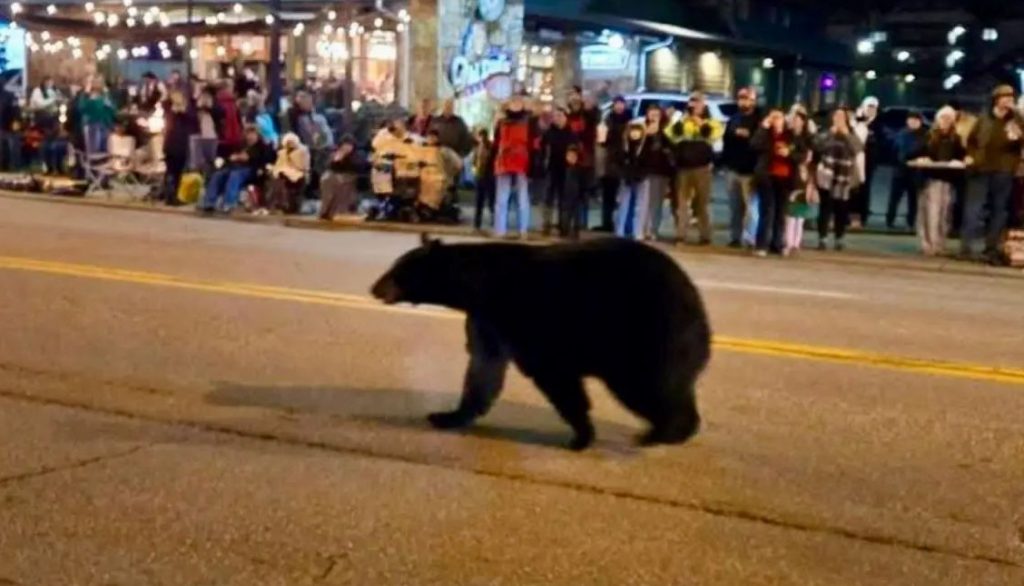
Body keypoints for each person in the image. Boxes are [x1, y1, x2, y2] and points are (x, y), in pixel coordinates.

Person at [963, 84, 1024, 262]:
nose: (1008, 101)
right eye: (1004, 97)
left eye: (1011, 98)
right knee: (973, 209)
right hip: (980, 169)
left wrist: (1019, 116)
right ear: (996, 100)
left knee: (999, 210)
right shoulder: (984, 119)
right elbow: (971, 141)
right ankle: (966, 248)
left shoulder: (1016, 121)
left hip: (1003, 170)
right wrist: (971, 156)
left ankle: (991, 248)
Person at [665, 91, 724, 246]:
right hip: (683, 168)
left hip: (702, 168)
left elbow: (713, 135)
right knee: (682, 204)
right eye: (692, 101)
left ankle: (705, 236)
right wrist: (681, 120)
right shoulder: (682, 120)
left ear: (704, 104)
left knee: (702, 204)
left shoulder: (711, 121)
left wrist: (700, 123)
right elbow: (671, 136)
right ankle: (681, 236)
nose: (695, 104)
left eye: (698, 101)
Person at [751, 109, 809, 256]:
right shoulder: (765, 134)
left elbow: (802, 155)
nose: (776, 120)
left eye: (779, 118)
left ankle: (777, 244)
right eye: (773, 118)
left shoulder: (791, 136)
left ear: (784, 120)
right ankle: (761, 244)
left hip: (785, 178)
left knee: (781, 212)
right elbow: (754, 145)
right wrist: (763, 127)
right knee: (767, 211)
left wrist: (789, 153)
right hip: (767, 177)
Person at [911, 106, 967, 256]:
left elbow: (961, 155)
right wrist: (922, 159)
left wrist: (960, 161)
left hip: (948, 180)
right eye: (943, 118)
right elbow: (916, 153)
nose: (945, 121)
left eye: (949, 118)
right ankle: (928, 244)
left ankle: (940, 244)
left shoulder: (956, 138)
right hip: (930, 179)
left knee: (944, 214)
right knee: (930, 213)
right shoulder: (929, 136)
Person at [815, 108, 864, 251]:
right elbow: (818, 146)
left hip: (843, 176)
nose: (838, 118)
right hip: (827, 174)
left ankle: (839, 238)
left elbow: (858, 148)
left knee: (841, 209)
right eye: (836, 115)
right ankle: (822, 238)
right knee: (825, 207)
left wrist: (846, 134)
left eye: (842, 116)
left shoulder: (851, 132)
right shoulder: (826, 131)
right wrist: (831, 133)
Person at [199, 125, 274, 214]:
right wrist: (235, 158)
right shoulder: (241, 146)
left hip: (251, 169)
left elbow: (262, 159)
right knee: (218, 175)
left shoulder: (262, 147)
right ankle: (209, 202)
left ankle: (229, 203)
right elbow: (231, 157)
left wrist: (245, 158)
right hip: (234, 167)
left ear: (257, 135)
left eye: (253, 134)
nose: (250, 137)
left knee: (235, 175)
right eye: (248, 134)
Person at [722, 87, 761, 247]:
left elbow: (759, 142)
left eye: (748, 98)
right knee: (735, 207)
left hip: (750, 170)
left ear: (754, 100)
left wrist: (748, 135)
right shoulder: (734, 118)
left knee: (752, 208)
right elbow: (726, 140)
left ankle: (750, 237)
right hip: (733, 169)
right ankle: (735, 237)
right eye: (741, 98)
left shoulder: (759, 120)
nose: (744, 101)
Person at [492, 95, 532, 238]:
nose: (515, 104)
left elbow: (533, 143)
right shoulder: (501, 122)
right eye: (513, 102)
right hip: (505, 161)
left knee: (522, 198)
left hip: (521, 161)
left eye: (518, 102)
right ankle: (500, 230)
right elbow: (496, 142)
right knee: (502, 198)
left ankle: (523, 230)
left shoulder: (529, 121)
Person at [886, 111, 928, 230]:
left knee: (913, 199)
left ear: (920, 122)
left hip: (915, 172)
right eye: (911, 120)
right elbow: (895, 150)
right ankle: (890, 220)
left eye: (916, 120)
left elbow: (923, 150)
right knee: (894, 197)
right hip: (900, 171)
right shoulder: (902, 133)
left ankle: (911, 221)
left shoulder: (924, 135)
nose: (913, 122)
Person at [783, 113, 817, 257]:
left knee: (800, 213)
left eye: (798, 120)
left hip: (803, 177)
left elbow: (808, 157)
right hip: (789, 176)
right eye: (793, 119)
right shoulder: (788, 136)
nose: (795, 122)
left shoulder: (808, 138)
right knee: (790, 213)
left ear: (804, 122)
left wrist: (791, 155)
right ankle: (788, 243)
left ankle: (796, 243)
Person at [615, 119, 653, 240]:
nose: (635, 133)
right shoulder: (624, 146)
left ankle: (638, 232)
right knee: (623, 204)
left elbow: (649, 162)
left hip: (642, 177)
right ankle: (620, 231)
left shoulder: (646, 145)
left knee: (641, 206)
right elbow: (619, 160)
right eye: (632, 130)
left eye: (638, 130)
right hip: (626, 177)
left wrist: (642, 174)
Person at [566, 87, 599, 229]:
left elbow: (594, 119)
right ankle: (569, 222)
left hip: (585, 158)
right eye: (571, 96)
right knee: (570, 191)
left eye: (576, 96)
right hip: (570, 158)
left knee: (583, 192)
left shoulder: (588, 115)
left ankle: (581, 222)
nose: (574, 99)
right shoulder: (567, 115)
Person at [600, 96, 633, 232]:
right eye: (616, 104)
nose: (619, 107)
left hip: (624, 161)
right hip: (610, 161)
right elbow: (603, 140)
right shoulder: (608, 120)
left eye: (621, 104)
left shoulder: (630, 121)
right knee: (608, 195)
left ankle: (625, 225)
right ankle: (607, 223)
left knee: (625, 196)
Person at [541, 108, 575, 235]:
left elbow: (575, 150)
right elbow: (543, 149)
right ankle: (546, 224)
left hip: (566, 169)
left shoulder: (571, 133)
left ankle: (563, 226)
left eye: (560, 115)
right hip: (551, 168)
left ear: (565, 117)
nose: (557, 118)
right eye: (555, 116)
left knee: (564, 198)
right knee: (548, 198)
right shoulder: (548, 133)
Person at [643, 104, 674, 240]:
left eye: (657, 114)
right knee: (647, 201)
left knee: (658, 202)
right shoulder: (643, 128)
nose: (654, 117)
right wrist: (647, 134)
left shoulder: (666, 130)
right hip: (648, 170)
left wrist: (661, 133)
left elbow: (671, 146)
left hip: (663, 170)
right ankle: (644, 229)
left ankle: (654, 229)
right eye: (652, 114)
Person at [852, 96, 883, 227]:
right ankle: (850, 215)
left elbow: (879, 142)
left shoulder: (878, 124)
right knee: (852, 187)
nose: (871, 110)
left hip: (868, 161)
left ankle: (862, 216)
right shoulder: (855, 121)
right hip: (853, 160)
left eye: (874, 108)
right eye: (869, 107)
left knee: (865, 188)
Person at [319, 135, 365, 220]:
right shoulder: (335, 153)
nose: (347, 147)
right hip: (333, 176)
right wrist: (337, 159)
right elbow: (330, 166)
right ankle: (326, 210)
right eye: (345, 145)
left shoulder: (357, 156)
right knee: (327, 179)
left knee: (339, 181)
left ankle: (340, 211)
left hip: (349, 177)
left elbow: (357, 167)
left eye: (349, 145)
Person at [163, 91, 197, 206]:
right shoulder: (173, 112)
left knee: (173, 172)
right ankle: (171, 196)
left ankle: (170, 195)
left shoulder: (180, 113)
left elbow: (194, 121)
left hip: (174, 145)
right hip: (176, 146)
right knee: (174, 172)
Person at [267, 132, 311, 214]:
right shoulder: (282, 152)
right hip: (284, 173)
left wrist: (291, 161)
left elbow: (304, 166)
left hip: (299, 173)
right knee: (277, 178)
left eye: (292, 142)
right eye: (288, 142)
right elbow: (279, 164)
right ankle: (279, 203)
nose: (290, 144)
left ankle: (290, 205)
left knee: (286, 178)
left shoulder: (303, 151)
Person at [81, 82, 116, 156]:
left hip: (93, 125)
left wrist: (85, 94)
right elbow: (112, 110)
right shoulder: (104, 100)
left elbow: (81, 108)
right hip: (104, 125)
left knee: (94, 147)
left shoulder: (89, 102)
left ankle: (94, 161)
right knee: (103, 146)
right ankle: (103, 160)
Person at [471, 128, 496, 231]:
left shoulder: (489, 147)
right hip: (482, 176)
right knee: (482, 200)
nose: (481, 138)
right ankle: (478, 222)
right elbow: (474, 161)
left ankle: (480, 222)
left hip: (487, 176)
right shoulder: (478, 147)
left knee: (488, 200)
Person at [560, 145, 587, 239]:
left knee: (576, 215)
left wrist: (583, 194)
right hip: (565, 195)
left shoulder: (580, 169)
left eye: (574, 156)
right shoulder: (562, 169)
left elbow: (583, 183)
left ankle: (576, 231)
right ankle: (564, 231)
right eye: (569, 156)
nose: (571, 158)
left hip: (577, 196)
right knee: (565, 214)